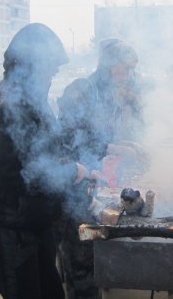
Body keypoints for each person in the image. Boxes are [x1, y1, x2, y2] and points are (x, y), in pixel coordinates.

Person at [0, 23, 89, 299]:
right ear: (31, 65)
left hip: (33, 222)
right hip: (10, 229)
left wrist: (77, 167)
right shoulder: (5, 107)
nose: (51, 76)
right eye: (50, 68)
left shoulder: (30, 100)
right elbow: (16, 176)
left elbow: (46, 150)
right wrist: (71, 171)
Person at [56, 77, 140, 299]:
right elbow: (73, 146)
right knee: (79, 260)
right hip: (70, 198)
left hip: (84, 187)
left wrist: (92, 171)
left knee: (84, 261)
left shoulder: (98, 100)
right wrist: (112, 148)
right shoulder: (77, 104)